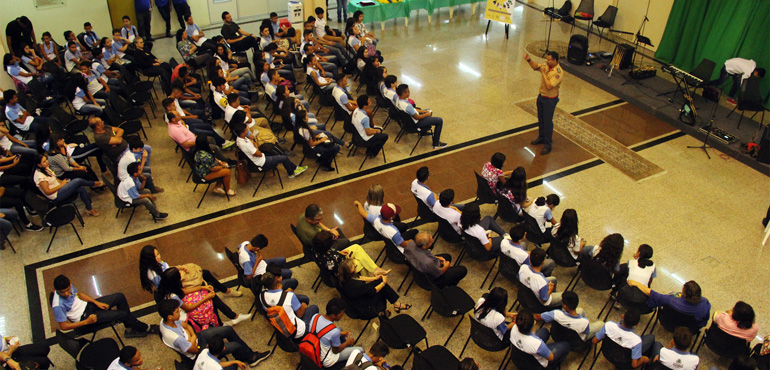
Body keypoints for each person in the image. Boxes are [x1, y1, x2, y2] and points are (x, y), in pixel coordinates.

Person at [157, 299, 270, 366]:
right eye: (177, 311)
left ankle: (248, 356)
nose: (180, 312)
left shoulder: (165, 320)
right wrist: (192, 338)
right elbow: (194, 349)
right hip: (198, 351)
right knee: (236, 345)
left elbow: (186, 325)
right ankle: (248, 356)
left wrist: (191, 337)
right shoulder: (174, 337)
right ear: (170, 316)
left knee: (228, 330)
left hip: (196, 338)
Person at [52, 274, 158, 337]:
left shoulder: (69, 286)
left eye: (67, 290)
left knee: (119, 297)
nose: (66, 293)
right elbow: (64, 326)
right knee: (123, 314)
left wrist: (96, 302)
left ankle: (129, 329)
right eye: (62, 292)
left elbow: (79, 295)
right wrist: (86, 322)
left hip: (89, 306)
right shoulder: (58, 305)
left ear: (69, 284)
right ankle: (146, 328)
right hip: (85, 318)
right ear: (57, 290)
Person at [158, 266, 250, 330]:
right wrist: (206, 298)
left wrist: (202, 287)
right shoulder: (173, 296)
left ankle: (228, 318)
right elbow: (188, 308)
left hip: (182, 307)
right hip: (184, 315)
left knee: (208, 292)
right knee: (210, 299)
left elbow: (183, 292)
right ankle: (228, 319)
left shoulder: (167, 287)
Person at [626, 279, 712, 329]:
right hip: (690, 329)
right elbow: (704, 321)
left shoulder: (670, 300)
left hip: (667, 324)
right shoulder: (706, 304)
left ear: (684, 293)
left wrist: (636, 283)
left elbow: (652, 294)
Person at [34, 155, 102, 217]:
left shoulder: (46, 168)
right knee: (77, 181)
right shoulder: (40, 177)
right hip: (56, 195)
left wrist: (63, 182)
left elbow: (54, 178)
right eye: (44, 161)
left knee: (81, 188)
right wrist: (62, 185)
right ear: (39, 165)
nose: (47, 162)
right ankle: (95, 184)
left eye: (46, 160)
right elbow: (47, 192)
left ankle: (89, 209)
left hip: (60, 188)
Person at [338, 259, 410, 317]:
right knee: (383, 288)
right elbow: (373, 291)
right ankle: (391, 307)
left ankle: (396, 304)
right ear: (350, 271)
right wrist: (383, 283)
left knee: (379, 282)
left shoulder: (343, 278)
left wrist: (375, 278)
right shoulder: (357, 285)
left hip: (355, 299)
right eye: (355, 267)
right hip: (365, 307)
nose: (356, 267)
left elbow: (360, 278)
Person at [259, 270, 319, 340]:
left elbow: (274, 302)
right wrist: (303, 306)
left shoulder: (261, 296)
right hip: (297, 332)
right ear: (276, 280)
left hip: (281, 327)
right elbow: (300, 314)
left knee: (302, 300)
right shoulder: (289, 296)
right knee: (314, 308)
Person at [234, 123, 308, 178]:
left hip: (259, 157)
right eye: (246, 129)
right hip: (261, 162)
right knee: (284, 158)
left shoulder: (240, 139)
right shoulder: (245, 144)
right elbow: (258, 153)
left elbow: (253, 142)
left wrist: (255, 145)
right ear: (242, 133)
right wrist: (255, 146)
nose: (248, 130)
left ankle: (295, 168)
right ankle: (291, 173)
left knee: (273, 151)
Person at [524, 51, 563, 155]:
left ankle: (548, 144)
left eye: (549, 59)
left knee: (547, 122)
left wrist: (543, 73)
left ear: (555, 60)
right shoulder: (546, 66)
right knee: (541, 119)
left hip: (550, 100)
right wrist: (529, 60)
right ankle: (541, 137)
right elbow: (536, 66)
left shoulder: (558, 72)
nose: (546, 61)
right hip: (541, 97)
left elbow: (549, 85)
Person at [308, 298, 365, 368]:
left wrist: (340, 333)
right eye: (341, 314)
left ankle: (347, 347)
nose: (342, 316)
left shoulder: (316, 316)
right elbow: (335, 351)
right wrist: (347, 342)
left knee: (339, 329)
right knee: (360, 350)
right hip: (326, 359)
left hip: (313, 346)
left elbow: (324, 333)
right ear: (333, 316)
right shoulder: (334, 332)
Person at [312, 231, 386, 279]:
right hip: (342, 273)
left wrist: (339, 252)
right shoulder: (334, 258)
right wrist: (349, 259)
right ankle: (367, 282)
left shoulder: (315, 249)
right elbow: (344, 268)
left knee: (356, 247)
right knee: (359, 263)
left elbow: (329, 253)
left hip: (335, 262)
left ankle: (375, 269)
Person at [534, 291, 604, 342]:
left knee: (581, 310)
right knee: (601, 324)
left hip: (556, 335)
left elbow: (538, 316)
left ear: (565, 306)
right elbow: (586, 333)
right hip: (575, 342)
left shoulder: (556, 314)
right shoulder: (584, 322)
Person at [395, 84, 447, 149]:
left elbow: (412, 110)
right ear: (404, 93)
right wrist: (426, 114)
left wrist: (422, 111)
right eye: (408, 91)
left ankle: (423, 133)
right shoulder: (407, 106)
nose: (409, 92)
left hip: (408, 121)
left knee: (427, 110)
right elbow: (417, 117)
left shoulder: (398, 100)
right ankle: (436, 143)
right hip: (416, 122)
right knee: (439, 120)